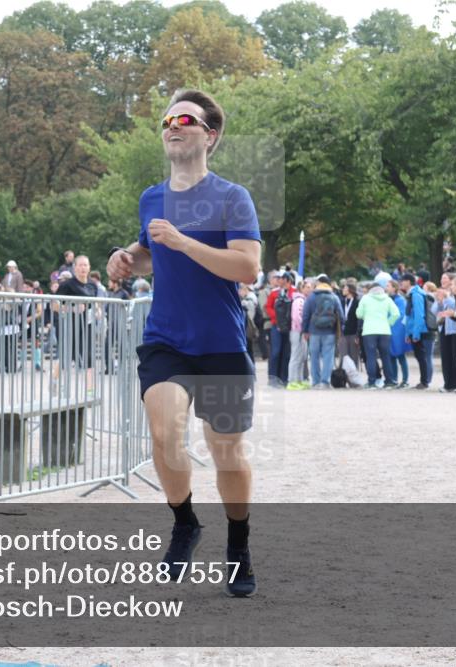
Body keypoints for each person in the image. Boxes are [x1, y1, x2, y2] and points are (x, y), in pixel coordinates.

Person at [105, 88, 261, 597]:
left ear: (208, 135)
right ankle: (185, 523)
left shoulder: (231, 197)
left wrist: (183, 240)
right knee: (165, 432)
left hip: (220, 343)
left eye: (185, 119)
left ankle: (238, 543)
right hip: (166, 340)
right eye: (167, 119)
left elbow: (247, 267)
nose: (172, 125)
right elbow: (152, 251)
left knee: (227, 453)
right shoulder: (152, 196)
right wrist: (125, 259)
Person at [55, 255, 98, 393]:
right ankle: (55, 381)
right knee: (66, 356)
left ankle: (90, 391)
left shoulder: (92, 285)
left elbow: (94, 302)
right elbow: (53, 304)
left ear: (89, 267)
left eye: (85, 265)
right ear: (74, 268)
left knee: (89, 357)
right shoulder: (66, 285)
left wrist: (97, 309)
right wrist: (71, 308)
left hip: (88, 324)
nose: (83, 268)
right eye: (80, 265)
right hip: (71, 326)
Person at [356, 276, 400, 389]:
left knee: (371, 357)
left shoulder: (365, 299)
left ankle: (372, 382)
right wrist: (388, 323)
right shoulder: (387, 299)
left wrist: (367, 315)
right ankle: (389, 381)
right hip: (385, 331)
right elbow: (396, 314)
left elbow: (359, 314)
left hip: (369, 331)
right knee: (386, 357)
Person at [302, 274, 344, 389]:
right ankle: (325, 382)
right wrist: (341, 330)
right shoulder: (334, 297)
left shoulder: (311, 297)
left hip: (314, 332)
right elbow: (341, 315)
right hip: (330, 332)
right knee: (328, 357)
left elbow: (305, 315)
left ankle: (315, 381)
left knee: (314, 357)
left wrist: (305, 330)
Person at [400, 273, 432, 389]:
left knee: (421, 356)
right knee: (420, 356)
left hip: (420, 330)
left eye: (402, 281)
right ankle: (423, 381)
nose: (401, 283)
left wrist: (416, 333)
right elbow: (410, 317)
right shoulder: (412, 294)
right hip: (415, 330)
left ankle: (424, 382)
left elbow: (419, 315)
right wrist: (408, 333)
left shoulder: (416, 295)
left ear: (408, 282)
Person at [435, 273, 456, 392]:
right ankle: (448, 383)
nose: (442, 280)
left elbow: (455, 308)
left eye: (445, 278)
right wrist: (439, 302)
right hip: (444, 329)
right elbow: (435, 311)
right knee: (446, 357)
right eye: (441, 278)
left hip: (455, 329)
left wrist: (446, 298)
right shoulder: (441, 293)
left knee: (455, 356)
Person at [265, 271, 295, 388]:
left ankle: (284, 377)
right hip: (276, 325)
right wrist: (277, 318)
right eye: (278, 278)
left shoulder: (294, 292)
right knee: (275, 352)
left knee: (286, 352)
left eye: (282, 278)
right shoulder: (274, 293)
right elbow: (268, 307)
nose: (279, 280)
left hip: (289, 326)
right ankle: (273, 377)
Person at [287, 278, 312, 389]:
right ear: (301, 288)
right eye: (307, 287)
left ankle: (299, 379)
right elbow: (297, 317)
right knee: (295, 357)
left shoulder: (304, 299)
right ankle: (292, 381)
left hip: (302, 332)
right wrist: (304, 328)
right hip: (298, 331)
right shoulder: (299, 300)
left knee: (302, 357)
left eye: (310, 287)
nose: (309, 289)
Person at [385, 280, 410, 388]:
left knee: (400, 356)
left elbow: (401, 315)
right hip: (390, 330)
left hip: (398, 331)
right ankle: (394, 379)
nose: (386, 287)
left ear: (394, 288)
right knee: (391, 356)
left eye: (388, 286)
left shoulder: (400, 300)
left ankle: (405, 380)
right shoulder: (388, 299)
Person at [339, 281, 362, 372]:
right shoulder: (341, 301)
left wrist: (358, 334)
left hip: (353, 333)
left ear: (350, 290)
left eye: (345, 288)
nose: (343, 290)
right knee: (343, 356)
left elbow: (359, 320)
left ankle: (354, 378)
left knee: (353, 357)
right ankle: (342, 378)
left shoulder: (357, 302)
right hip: (343, 333)